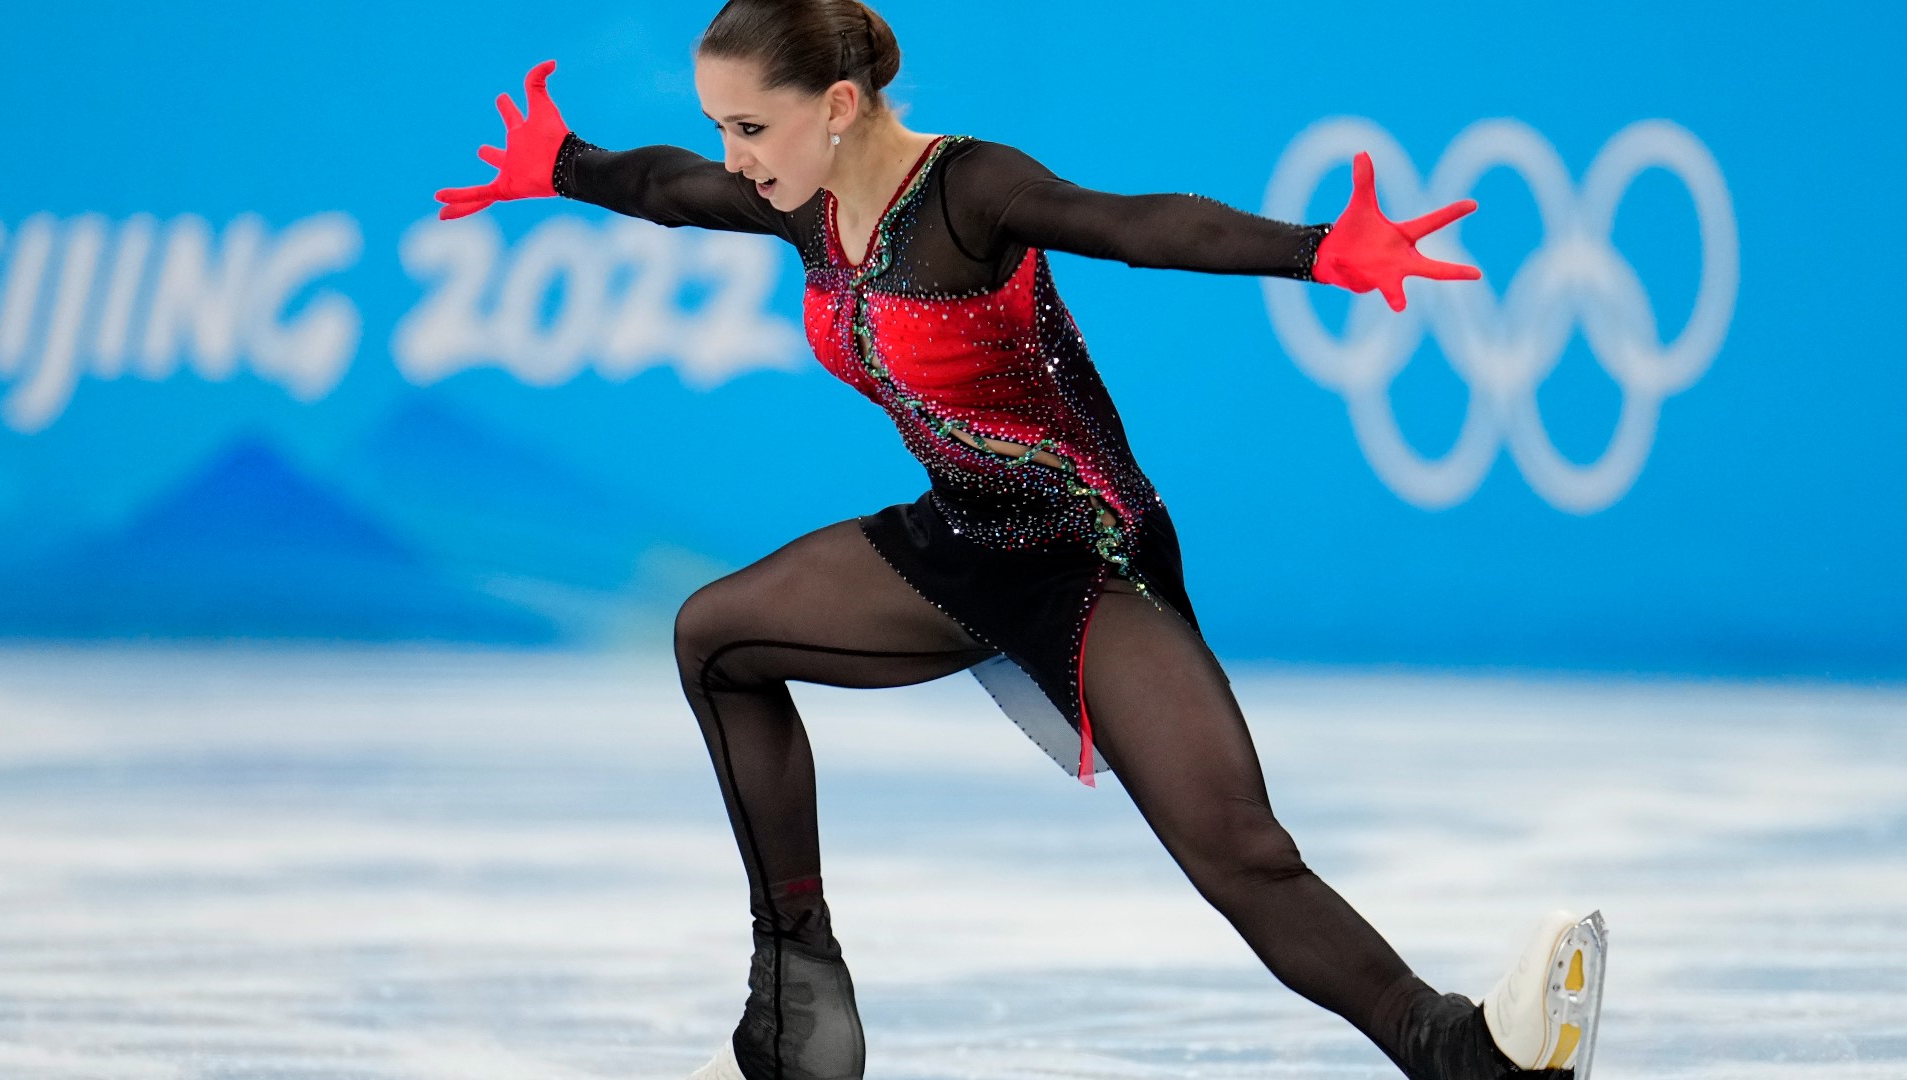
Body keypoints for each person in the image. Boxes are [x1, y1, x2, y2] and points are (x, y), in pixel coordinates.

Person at [434, 3, 1607, 1078]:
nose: (736, 153)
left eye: (752, 124)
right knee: (716, 637)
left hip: (1087, 560)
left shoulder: (967, 191)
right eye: (723, 125)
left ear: (839, 107)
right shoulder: (800, 202)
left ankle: (1458, 1050)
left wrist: (1312, 249)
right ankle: (797, 997)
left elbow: (1134, 226)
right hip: (952, 545)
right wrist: (565, 166)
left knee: (1238, 849)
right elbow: (677, 186)